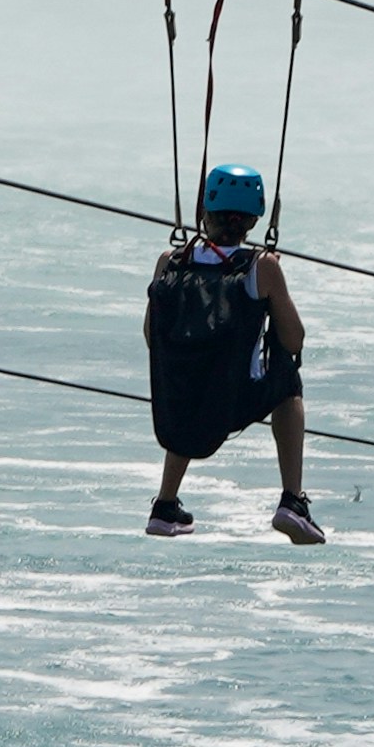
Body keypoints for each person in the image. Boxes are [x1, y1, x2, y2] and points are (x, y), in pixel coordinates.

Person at [142, 160, 321, 543]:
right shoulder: (261, 266)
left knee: (192, 380)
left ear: (204, 210)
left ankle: (165, 504)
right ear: (254, 220)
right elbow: (294, 340)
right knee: (288, 384)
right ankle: (293, 501)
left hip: (180, 406)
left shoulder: (169, 262)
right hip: (231, 398)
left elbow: (151, 333)